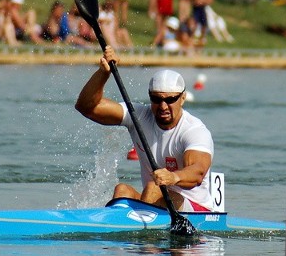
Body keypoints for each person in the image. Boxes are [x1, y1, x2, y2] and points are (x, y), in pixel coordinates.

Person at [75, 49, 214, 212]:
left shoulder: (194, 130)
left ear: (182, 98)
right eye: (156, 99)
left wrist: (173, 177)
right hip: (155, 200)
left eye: (170, 99)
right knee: (122, 190)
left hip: (196, 208)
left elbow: (197, 172)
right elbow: (86, 107)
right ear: (149, 96)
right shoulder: (138, 116)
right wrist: (103, 74)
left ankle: (139, 232)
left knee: (153, 189)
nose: (163, 106)